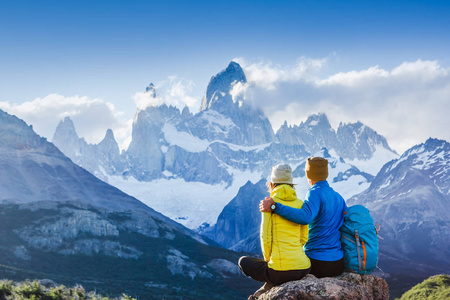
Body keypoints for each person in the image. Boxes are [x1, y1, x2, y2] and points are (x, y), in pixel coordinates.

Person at [260, 157, 347, 278]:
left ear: (308, 175)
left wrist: (275, 207)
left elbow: (305, 217)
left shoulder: (315, 193)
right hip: (338, 262)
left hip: (317, 262)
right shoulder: (338, 197)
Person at [238, 164, 311, 299]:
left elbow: (265, 237)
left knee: (243, 262)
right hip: (304, 267)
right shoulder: (301, 204)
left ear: (271, 184)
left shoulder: (269, 204)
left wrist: (270, 261)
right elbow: (304, 238)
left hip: (280, 271)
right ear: (292, 184)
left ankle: (270, 284)